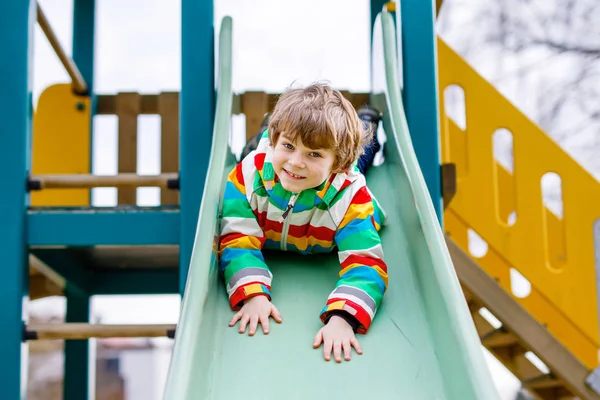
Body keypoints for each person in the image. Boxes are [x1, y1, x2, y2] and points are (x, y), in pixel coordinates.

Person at [218, 82, 388, 363]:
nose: (296, 162)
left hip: (335, 180)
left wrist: (344, 316)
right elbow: (237, 238)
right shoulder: (247, 179)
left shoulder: (350, 199)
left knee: (360, 154)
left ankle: (365, 121)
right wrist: (252, 293)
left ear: (336, 165)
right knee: (261, 147)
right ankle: (268, 130)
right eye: (288, 145)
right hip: (270, 156)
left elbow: (366, 262)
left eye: (314, 154)